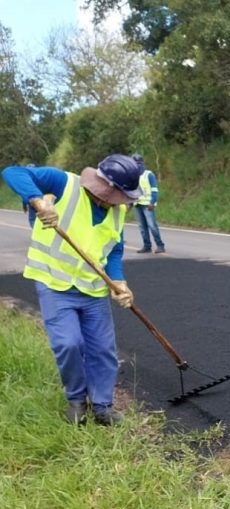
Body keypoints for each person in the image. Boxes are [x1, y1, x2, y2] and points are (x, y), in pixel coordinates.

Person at [2, 155, 144, 426]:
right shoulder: (64, 183)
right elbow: (13, 172)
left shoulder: (118, 211)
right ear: (105, 187)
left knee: (103, 349)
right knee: (68, 344)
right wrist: (37, 200)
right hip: (55, 284)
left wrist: (119, 282)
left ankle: (102, 406)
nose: (123, 201)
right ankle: (76, 399)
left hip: (93, 289)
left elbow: (114, 248)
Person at [131, 153, 165, 254]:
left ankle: (160, 245)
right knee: (142, 227)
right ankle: (147, 246)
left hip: (147, 205)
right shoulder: (133, 176)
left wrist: (152, 202)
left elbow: (154, 190)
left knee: (152, 226)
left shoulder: (149, 174)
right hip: (137, 204)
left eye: (138, 163)